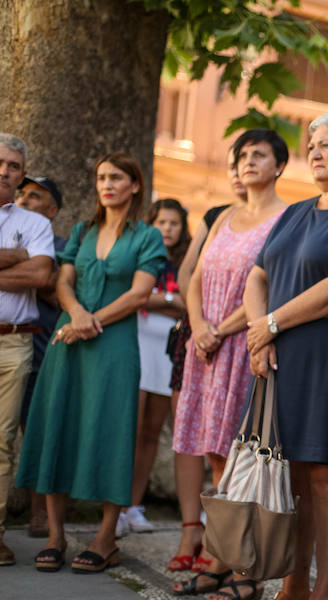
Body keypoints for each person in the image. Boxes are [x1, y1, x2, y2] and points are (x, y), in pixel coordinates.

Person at [243, 109, 328, 600]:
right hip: (278, 355)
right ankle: (293, 581)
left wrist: (270, 325)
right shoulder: (296, 210)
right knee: (292, 472)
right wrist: (261, 334)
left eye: (326, 145)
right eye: (312, 146)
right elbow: (258, 274)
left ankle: (324, 590)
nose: (314, 153)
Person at [16, 151, 167, 573]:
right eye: (101, 176)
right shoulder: (82, 231)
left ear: (135, 185)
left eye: (117, 177)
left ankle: (105, 538)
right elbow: (62, 280)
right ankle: (55, 536)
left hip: (114, 344)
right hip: (70, 338)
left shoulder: (147, 237)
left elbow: (140, 293)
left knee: (113, 429)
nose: (107, 184)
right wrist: (77, 315)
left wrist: (91, 321)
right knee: (57, 425)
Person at [172, 129, 286, 599]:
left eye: (259, 154)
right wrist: (199, 326)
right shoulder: (225, 217)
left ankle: (235, 562)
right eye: (241, 156)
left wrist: (222, 330)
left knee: (238, 458)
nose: (247, 162)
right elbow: (196, 277)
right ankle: (221, 556)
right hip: (205, 347)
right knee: (214, 453)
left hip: (242, 346)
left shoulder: (285, 217)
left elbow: (267, 284)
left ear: (279, 165)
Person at [167, 153, 246, 572]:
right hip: (195, 336)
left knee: (224, 441)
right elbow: (187, 274)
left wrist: (219, 329)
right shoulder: (216, 214)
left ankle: (220, 538)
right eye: (233, 165)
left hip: (232, 339)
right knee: (189, 432)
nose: (238, 172)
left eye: (249, 162)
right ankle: (189, 528)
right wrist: (200, 326)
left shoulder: (274, 218)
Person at [116, 198, 191, 537]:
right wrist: (170, 302)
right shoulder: (141, 255)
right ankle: (113, 506)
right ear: (151, 224)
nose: (168, 229)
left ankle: (133, 505)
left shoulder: (186, 261)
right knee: (128, 429)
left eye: (174, 223)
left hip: (167, 353)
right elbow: (133, 296)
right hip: (136, 345)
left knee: (151, 432)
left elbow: (191, 302)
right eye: (162, 222)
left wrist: (165, 300)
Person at [0, 135, 54, 566]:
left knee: (1, 444)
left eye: (14, 165)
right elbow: (26, 265)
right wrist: (13, 256)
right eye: (0, 162)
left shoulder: (35, 223)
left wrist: (25, 258)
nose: (5, 170)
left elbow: (39, 274)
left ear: (21, 175)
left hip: (14, 341)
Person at [15, 175, 67, 540]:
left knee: (37, 434)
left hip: (43, 355)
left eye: (35, 196)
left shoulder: (61, 245)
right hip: (13, 347)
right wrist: (25, 262)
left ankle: (39, 514)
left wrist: (32, 269)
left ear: (52, 210)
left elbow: (48, 283)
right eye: (22, 194)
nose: (24, 200)